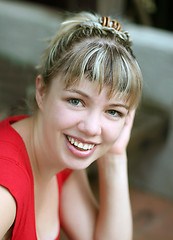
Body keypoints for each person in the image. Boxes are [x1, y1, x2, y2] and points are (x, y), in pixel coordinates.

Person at [0, 11, 142, 240]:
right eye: (76, 101)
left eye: (113, 111)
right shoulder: (4, 190)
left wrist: (115, 156)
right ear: (42, 91)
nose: (92, 127)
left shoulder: (59, 155)